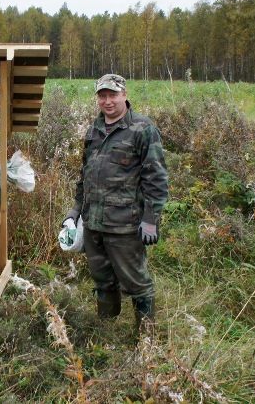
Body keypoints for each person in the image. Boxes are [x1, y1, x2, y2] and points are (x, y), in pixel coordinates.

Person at [63, 74, 168, 335]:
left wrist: (150, 219)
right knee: (102, 280)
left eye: (113, 95)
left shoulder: (143, 129)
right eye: (102, 96)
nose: (108, 101)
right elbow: (84, 176)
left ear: (124, 95)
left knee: (137, 283)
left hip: (125, 225)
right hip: (93, 223)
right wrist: (74, 213)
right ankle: (105, 334)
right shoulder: (93, 131)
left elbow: (156, 178)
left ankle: (147, 341)